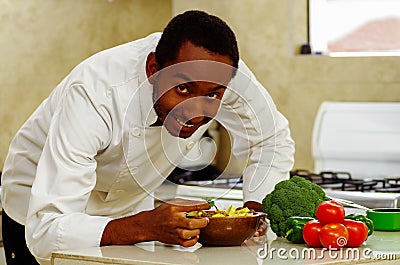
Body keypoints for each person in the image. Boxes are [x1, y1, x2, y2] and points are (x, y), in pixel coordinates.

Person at [1, 10, 295, 265]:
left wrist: (254, 214)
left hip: (130, 213)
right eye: (183, 90)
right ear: (153, 69)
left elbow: (272, 138)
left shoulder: (221, 73)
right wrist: (143, 227)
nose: (194, 110)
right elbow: (46, 233)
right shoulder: (95, 91)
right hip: (37, 213)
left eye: (212, 95)